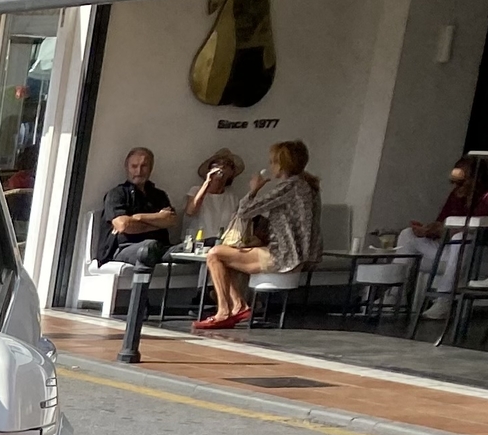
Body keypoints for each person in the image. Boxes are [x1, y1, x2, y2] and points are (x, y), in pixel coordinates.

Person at [193, 139, 320, 331]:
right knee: (225, 256)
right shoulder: (307, 186)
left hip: (284, 256)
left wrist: (254, 189)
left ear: (282, 164)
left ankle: (224, 311)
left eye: (273, 162)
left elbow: (245, 211)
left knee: (215, 254)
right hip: (298, 254)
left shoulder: (288, 187)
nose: (271, 166)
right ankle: (238, 306)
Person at [396, 156, 488, 312]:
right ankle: (395, 297)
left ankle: (444, 300)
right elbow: (443, 222)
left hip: (483, 252)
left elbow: (476, 227)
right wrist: (428, 230)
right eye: (454, 182)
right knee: (408, 235)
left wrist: (443, 228)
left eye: (461, 182)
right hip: (454, 251)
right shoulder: (457, 193)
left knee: (461, 238)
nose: (456, 187)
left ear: (475, 179)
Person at [94, 146, 178, 271]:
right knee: (149, 247)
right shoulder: (117, 193)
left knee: (188, 249)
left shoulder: (159, 195)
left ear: (151, 168)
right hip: (124, 248)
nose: (139, 171)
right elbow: (124, 225)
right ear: (126, 167)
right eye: (134, 166)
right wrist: (159, 221)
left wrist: (138, 218)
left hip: (161, 247)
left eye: (144, 166)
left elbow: (171, 220)